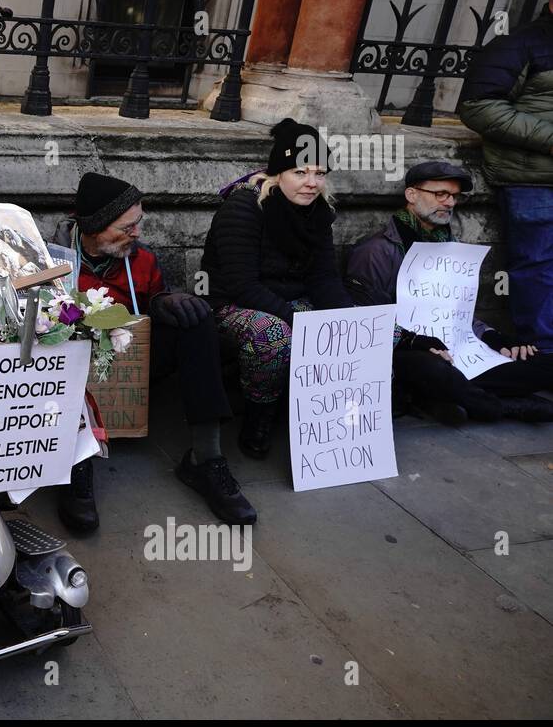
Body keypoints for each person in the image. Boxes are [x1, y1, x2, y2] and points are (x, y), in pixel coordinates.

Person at [53, 174, 256, 529]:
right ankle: (73, 462)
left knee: (196, 320)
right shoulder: (55, 261)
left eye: (139, 223)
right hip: (75, 372)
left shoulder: (142, 259)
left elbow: (152, 300)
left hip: (130, 357)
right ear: (96, 228)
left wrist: (164, 301)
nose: (137, 233)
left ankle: (205, 459)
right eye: (127, 227)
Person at [345, 160, 553, 423]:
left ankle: (445, 400)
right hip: (408, 351)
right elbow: (365, 321)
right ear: (412, 194)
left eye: (454, 196)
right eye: (440, 194)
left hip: (459, 349)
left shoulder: (450, 246)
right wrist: (416, 343)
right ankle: (501, 406)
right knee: (434, 371)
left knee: (543, 363)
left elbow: (458, 314)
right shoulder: (376, 251)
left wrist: (494, 337)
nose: (450, 202)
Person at [201, 118, 353, 458]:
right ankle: (259, 417)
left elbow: (324, 278)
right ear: (278, 173)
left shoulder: (319, 211)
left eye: (320, 173)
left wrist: (345, 319)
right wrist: (302, 322)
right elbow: (243, 285)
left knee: (355, 326)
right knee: (272, 333)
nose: (312, 183)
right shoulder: (244, 207)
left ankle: (335, 419)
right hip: (230, 304)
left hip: (291, 302)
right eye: (301, 172)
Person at [458, 0, 553, 352]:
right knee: (539, 268)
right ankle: (544, 354)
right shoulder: (519, 44)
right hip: (532, 181)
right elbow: (477, 107)